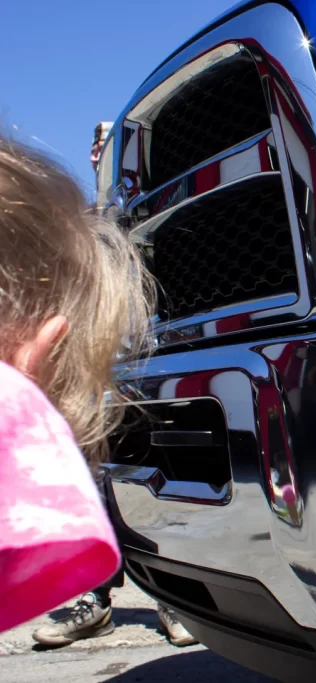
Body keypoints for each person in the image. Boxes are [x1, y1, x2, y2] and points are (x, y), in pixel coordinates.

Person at [0, 135, 195, 646]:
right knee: (94, 478)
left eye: (103, 144)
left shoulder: (146, 199)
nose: (98, 149)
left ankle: (171, 595)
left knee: (145, 479)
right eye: (95, 146)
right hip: (87, 371)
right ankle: (93, 596)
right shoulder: (85, 209)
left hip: (136, 364)